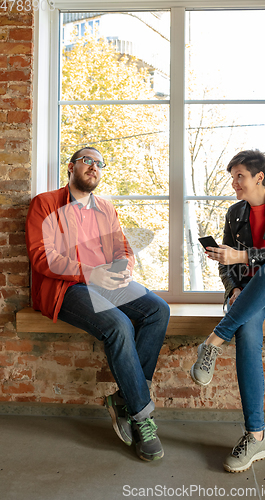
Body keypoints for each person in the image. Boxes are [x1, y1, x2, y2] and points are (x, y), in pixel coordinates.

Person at [25, 146, 170, 462]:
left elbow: (124, 249)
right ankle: (142, 418)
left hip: (107, 284)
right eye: (87, 161)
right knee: (118, 325)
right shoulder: (45, 204)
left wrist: (123, 269)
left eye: (99, 163)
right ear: (71, 168)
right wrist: (92, 274)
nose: (94, 166)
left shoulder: (105, 208)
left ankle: (126, 398)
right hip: (68, 288)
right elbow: (42, 258)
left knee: (158, 309)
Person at [190, 150, 265, 473]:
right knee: (246, 332)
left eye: (239, 176)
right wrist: (233, 289)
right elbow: (226, 266)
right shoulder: (234, 213)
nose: (234, 183)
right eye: (232, 177)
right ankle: (255, 436)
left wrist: (242, 258)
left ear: (259, 177)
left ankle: (215, 341)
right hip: (252, 294)